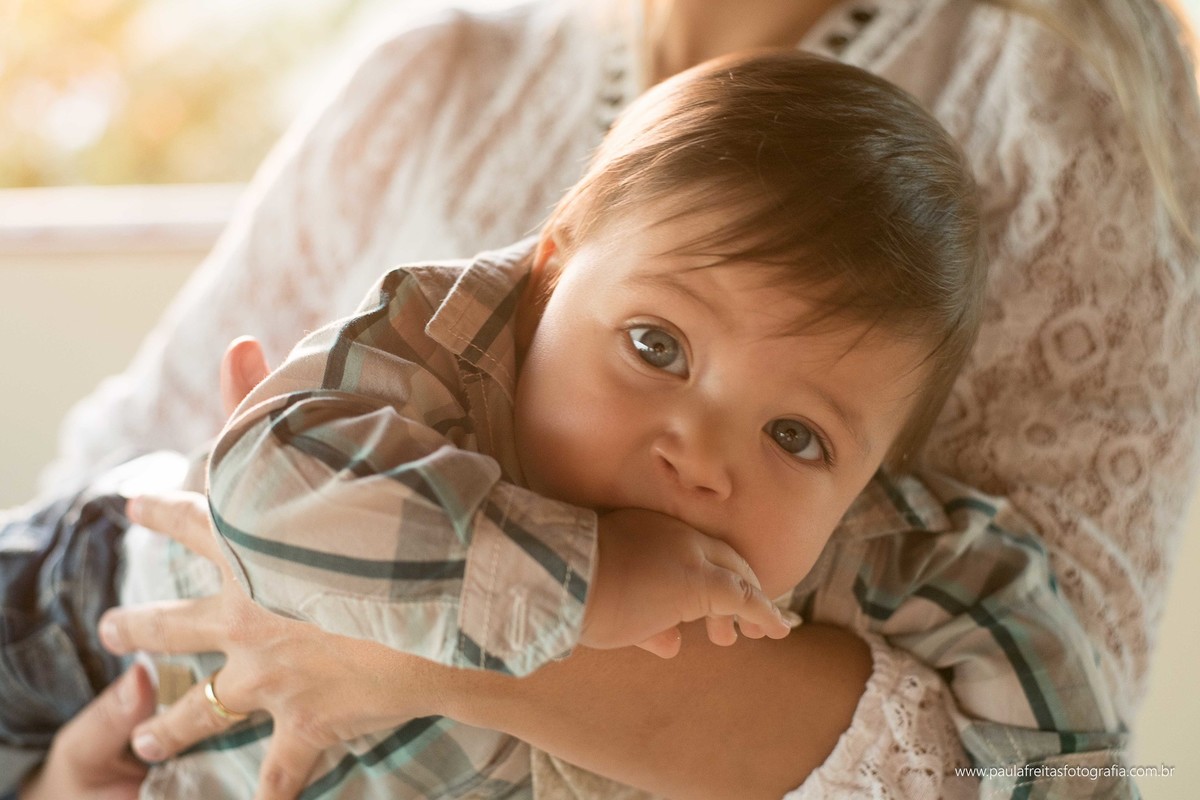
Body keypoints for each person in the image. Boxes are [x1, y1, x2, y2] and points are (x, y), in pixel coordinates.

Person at [17, 0, 1200, 797]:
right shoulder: (442, 71)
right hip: (93, 614)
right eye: (653, 343)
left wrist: (403, 637)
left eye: (796, 435)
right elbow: (194, 465)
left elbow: (1014, 730)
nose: (697, 449)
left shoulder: (1062, 96)